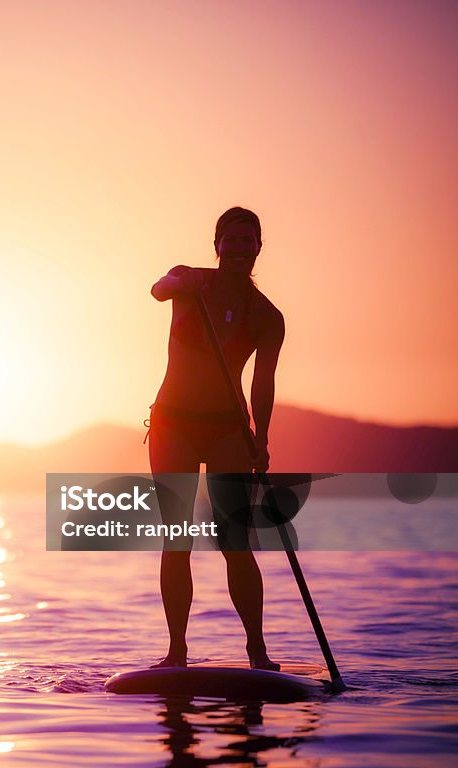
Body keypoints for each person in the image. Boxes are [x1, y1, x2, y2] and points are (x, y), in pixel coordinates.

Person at [147, 206, 284, 670]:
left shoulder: (267, 316)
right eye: (232, 239)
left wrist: (261, 440)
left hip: (228, 429)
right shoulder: (190, 282)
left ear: (259, 248)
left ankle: (257, 652)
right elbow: (157, 290)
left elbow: (262, 384)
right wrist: (175, 283)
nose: (241, 248)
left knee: (235, 541)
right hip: (173, 425)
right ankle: (176, 653)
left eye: (250, 241)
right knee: (176, 539)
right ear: (218, 244)